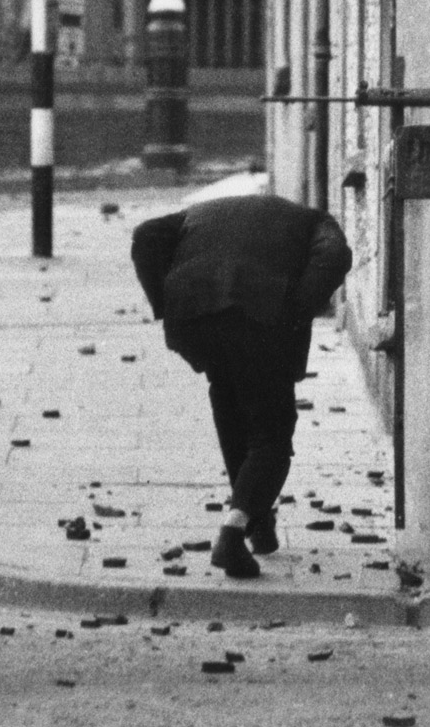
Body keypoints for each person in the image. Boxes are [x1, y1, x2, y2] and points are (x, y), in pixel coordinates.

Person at [130, 194, 353, 578]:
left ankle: (257, 522)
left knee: (230, 401)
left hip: (194, 318)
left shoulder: (200, 212)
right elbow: (335, 258)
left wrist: (166, 303)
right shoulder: (318, 223)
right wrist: (294, 315)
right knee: (272, 435)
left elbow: (146, 236)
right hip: (258, 317)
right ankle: (233, 533)